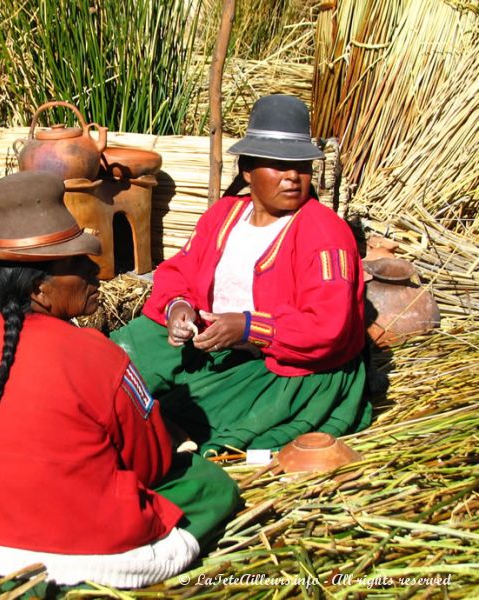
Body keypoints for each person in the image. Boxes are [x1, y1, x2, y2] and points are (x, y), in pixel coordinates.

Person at [0, 171, 239, 588]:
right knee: (208, 485)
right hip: (67, 553)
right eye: (77, 264)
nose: (97, 273)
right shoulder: (98, 355)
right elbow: (151, 464)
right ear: (39, 289)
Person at [112, 95, 371, 455]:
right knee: (115, 358)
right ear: (248, 169)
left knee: (186, 415)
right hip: (211, 337)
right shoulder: (225, 215)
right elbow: (179, 271)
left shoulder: (325, 235)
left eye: (301, 166)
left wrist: (250, 327)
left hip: (287, 364)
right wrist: (178, 309)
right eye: (278, 166)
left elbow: (328, 328)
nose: (293, 176)